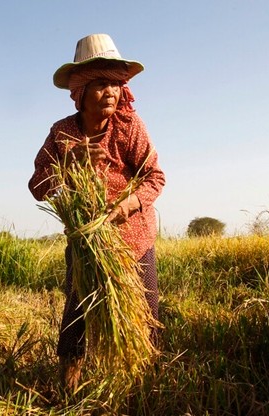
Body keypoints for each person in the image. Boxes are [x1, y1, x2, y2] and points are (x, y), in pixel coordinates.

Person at [28, 33, 166, 390]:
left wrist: (127, 204)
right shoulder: (62, 133)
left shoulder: (128, 126)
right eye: (101, 85)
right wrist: (68, 164)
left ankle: (145, 387)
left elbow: (155, 177)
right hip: (86, 243)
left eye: (115, 84)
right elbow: (37, 188)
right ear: (81, 92)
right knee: (76, 314)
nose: (111, 92)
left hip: (133, 237)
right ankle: (68, 389)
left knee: (145, 313)